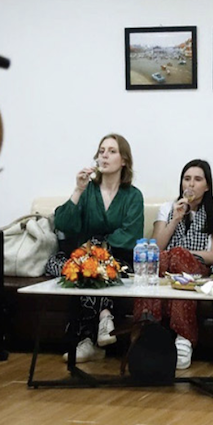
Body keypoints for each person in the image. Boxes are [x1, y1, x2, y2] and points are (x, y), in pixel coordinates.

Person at [54, 133, 144, 363]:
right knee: (84, 267)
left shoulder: (133, 196)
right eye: (101, 151)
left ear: (123, 160)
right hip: (86, 257)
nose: (104, 155)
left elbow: (130, 234)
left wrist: (98, 248)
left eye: (112, 151)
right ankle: (103, 318)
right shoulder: (88, 192)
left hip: (119, 258)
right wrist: (78, 190)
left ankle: (87, 340)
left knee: (96, 265)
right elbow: (64, 224)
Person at [133, 159, 213, 370]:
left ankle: (183, 338)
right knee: (160, 261)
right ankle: (146, 331)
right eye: (186, 179)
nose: (191, 185)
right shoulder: (168, 208)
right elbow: (155, 248)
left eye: (197, 180)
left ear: (207, 186)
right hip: (166, 268)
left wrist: (181, 254)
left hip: (197, 271)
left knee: (175, 256)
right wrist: (175, 219)